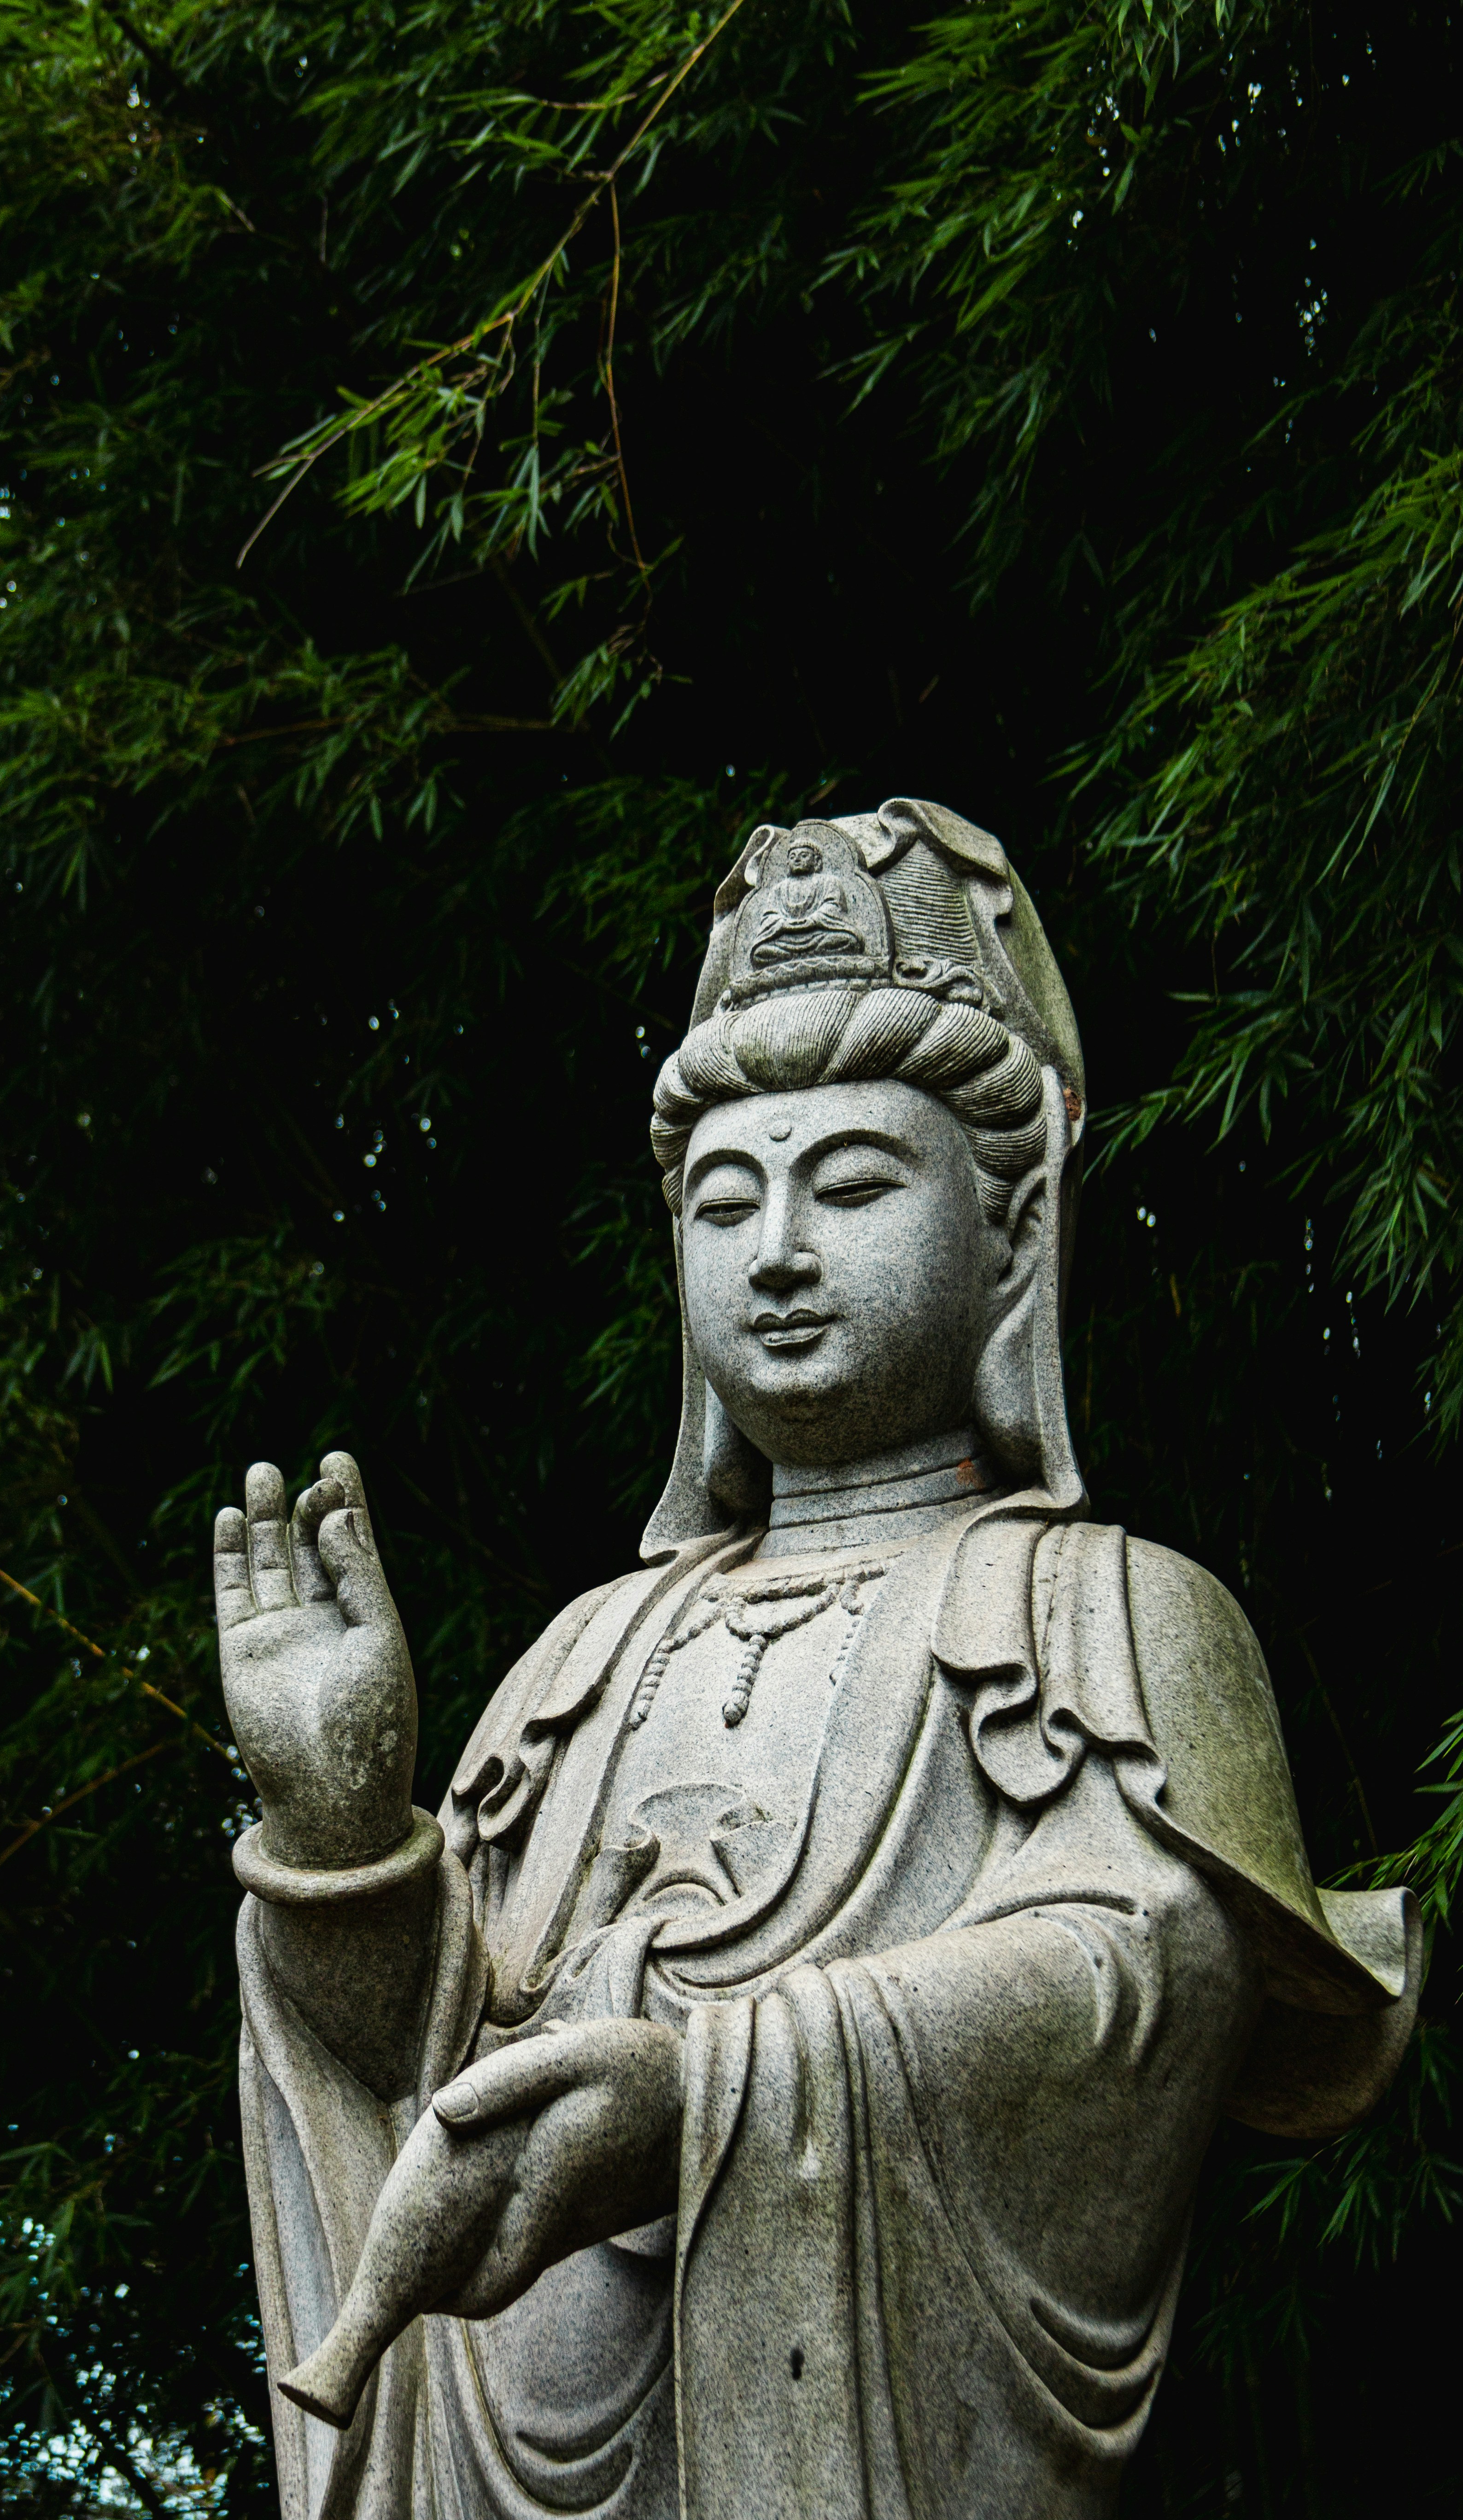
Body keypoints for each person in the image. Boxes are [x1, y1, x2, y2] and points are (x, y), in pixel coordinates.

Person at [217, 796, 1418, 2520]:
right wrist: (340, 1836)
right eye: (723, 1202)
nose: (777, 1252)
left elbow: (1138, 1988)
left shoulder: (1113, 1612)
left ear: (1012, 1234)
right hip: (520, 2451)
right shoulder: (583, 1656)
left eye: (853, 1183)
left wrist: (708, 2092)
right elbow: (429, 2069)